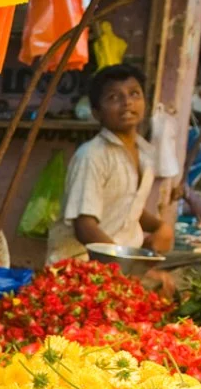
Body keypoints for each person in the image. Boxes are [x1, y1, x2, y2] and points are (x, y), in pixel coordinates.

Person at [47, 64, 175, 265]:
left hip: (117, 265)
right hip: (80, 267)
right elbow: (85, 227)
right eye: (114, 97)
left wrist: (160, 227)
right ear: (96, 113)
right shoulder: (92, 156)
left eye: (134, 94)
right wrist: (125, 267)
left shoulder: (145, 154)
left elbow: (128, 207)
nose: (127, 102)